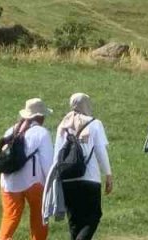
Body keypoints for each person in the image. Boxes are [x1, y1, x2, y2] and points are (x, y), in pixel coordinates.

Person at [53, 93, 113, 240]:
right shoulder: (94, 123)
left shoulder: (63, 125)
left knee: (74, 222)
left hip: (67, 179)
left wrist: (56, 179)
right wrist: (108, 175)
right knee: (93, 216)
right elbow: (100, 151)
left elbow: (57, 154)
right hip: (89, 178)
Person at [0, 98, 55, 240]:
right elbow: (48, 164)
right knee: (39, 216)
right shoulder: (41, 133)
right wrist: (52, 186)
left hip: (8, 182)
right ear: (40, 116)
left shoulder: (10, 131)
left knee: (10, 218)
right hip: (33, 183)